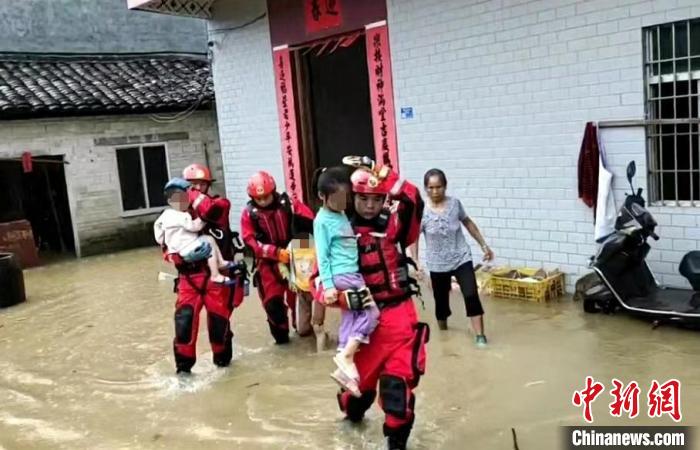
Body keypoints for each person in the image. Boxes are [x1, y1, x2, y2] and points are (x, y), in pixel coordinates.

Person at [310, 157, 429, 450]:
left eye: (377, 199)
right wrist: (340, 297)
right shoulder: (336, 228)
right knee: (356, 399)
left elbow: (414, 198)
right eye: (362, 198)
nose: (369, 205)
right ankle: (350, 424)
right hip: (365, 326)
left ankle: (396, 445)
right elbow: (313, 279)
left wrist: (381, 170)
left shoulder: (395, 226)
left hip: (401, 318)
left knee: (397, 394)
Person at [155, 176, 246, 374]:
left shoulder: (218, 205)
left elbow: (215, 211)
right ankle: (184, 371)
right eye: (192, 184)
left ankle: (225, 368)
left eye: (200, 184)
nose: (197, 188)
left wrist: (195, 198)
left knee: (218, 325)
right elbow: (165, 249)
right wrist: (180, 258)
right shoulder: (171, 217)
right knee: (184, 324)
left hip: (215, 278)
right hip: (188, 279)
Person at [312, 167, 379, 397]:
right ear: (323, 196)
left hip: (351, 274)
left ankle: (345, 374)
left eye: (346, 197)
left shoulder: (340, 215)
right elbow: (322, 255)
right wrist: (329, 286)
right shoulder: (321, 221)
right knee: (372, 313)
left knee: (350, 321)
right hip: (343, 276)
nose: (343, 202)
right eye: (338, 198)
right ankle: (347, 356)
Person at [411, 168, 492, 346]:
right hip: (437, 264)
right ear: (426, 188)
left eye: (438, 187)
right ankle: (443, 330)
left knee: (471, 295)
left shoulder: (455, 204)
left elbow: (468, 223)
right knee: (441, 304)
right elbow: (413, 237)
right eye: (430, 188)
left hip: (461, 257)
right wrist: (416, 261)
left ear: (445, 186)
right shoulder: (421, 210)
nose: (435, 191)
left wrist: (483, 245)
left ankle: (480, 335)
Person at [240, 170, 315, 344]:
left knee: (299, 304)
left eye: (266, 197)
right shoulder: (249, 214)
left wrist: (304, 251)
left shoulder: (289, 204)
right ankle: (282, 340)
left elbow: (310, 224)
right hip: (268, 264)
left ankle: (303, 332)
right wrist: (275, 253)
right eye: (258, 199)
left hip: (294, 260)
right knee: (273, 305)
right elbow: (250, 241)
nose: (263, 201)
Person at [154, 178, 236, 286]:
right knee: (208, 243)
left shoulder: (165, 214)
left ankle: (219, 265)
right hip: (189, 262)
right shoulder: (182, 215)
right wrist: (204, 219)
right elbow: (194, 226)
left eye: (202, 184)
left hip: (185, 255)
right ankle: (216, 272)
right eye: (194, 185)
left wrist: (167, 242)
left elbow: (159, 235)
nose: (198, 188)